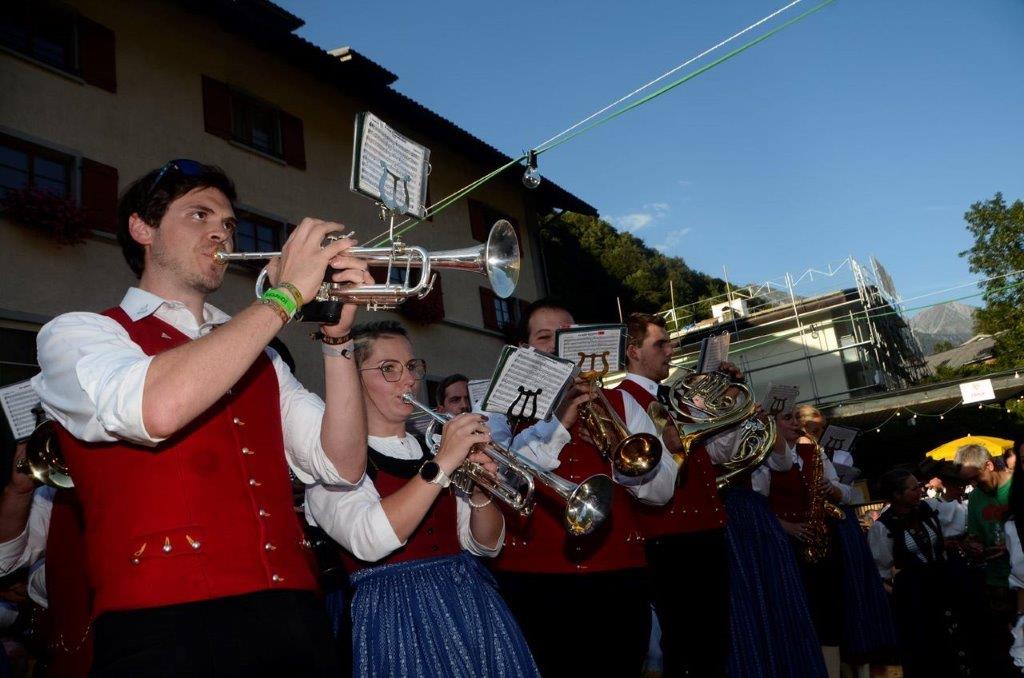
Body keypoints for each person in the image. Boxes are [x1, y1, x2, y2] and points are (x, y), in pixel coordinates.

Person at [31, 159, 371, 676]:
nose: (221, 232)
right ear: (142, 228)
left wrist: (336, 340)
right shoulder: (77, 333)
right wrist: (285, 296)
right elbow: (155, 409)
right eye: (199, 215)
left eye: (228, 223)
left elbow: (342, 464)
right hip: (164, 627)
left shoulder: (262, 352)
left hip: (294, 613)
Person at [305, 321, 538, 677]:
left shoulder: (433, 448)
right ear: (351, 379)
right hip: (391, 617)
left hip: (470, 603)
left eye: (412, 367)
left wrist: (481, 491)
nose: (409, 381)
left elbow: (485, 545)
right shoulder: (328, 461)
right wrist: (444, 462)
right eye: (389, 369)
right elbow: (367, 540)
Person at [483, 299, 677, 677]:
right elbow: (503, 477)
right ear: (524, 349)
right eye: (545, 337)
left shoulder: (621, 401)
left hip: (618, 576)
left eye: (567, 336)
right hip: (535, 582)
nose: (557, 346)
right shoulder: (499, 411)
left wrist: (618, 457)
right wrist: (557, 427)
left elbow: (663, 491)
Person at [793, 405, 896, 671]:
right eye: (810, 429)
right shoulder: (787, 450)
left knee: (847, 599)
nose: (813, 435)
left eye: (818, 431)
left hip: (836, 527)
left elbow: (849, 494)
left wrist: (833, 488)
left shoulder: (824, 452)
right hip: (806, 529)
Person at [868, 468, 988, 677]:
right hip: (916, 595)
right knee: (929, 646)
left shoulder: (928, 508)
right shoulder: (884, 527)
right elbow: (880, 571)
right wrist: (899, 595)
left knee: (961, 636)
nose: (920, 491)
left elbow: (955, 518)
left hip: (945, 582)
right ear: (897, 495)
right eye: (913, 488)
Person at [956, 442, 1016, 674]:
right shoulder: (975, 498)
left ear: (989, 465)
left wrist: (1010, 546)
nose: (972, 484)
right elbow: (974, 534)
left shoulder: (1017, 487)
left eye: (975, 477)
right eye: (968, 480)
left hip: (1021, 577)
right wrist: (972, 544)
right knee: (1006, 649)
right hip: (996, 581)